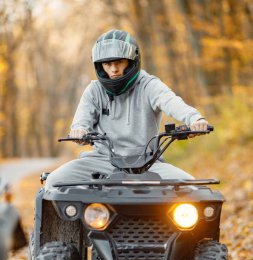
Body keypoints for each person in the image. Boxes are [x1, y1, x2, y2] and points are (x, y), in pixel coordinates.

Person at [45, 29, 208, 190]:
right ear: (100, 65)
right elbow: (81, 122)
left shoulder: (149, 85)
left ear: (132, 61)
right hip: (102, 161)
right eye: (108, 64)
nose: (114, 69)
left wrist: (195, 119)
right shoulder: (94, 90)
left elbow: (171, 102)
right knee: (54, 181)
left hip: (148, 164)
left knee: (191, 188)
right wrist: (79, 131)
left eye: (119, 62)